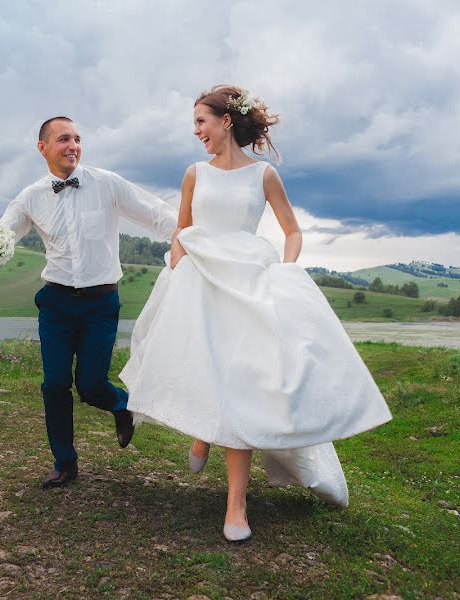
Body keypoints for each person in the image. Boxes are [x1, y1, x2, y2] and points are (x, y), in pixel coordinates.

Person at [119, 85, 392, 542]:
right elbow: (182, 229)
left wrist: (285, 273)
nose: (196, 131)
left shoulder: (264, 175)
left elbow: (292, 230)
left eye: (201, 122)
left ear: (226, 121)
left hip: (249, 279)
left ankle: (237, 506)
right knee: (201, 366)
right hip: (202, 277)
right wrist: (176, 266)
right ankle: (204, 433)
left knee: (243, 381)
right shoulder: (194, 174)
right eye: (194, 124)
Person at [0, 116, 178, 489]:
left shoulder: (107, 183)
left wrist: (190, 237)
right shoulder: (31, 196)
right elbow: (4, 237)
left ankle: (122, 406)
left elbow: (157, 214)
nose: (73, 146)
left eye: (78, 139)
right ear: (43, 147)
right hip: (56, 302)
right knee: (54, 384)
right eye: (64, 139)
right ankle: (64, 463)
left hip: (101, 303)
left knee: (91, 384)